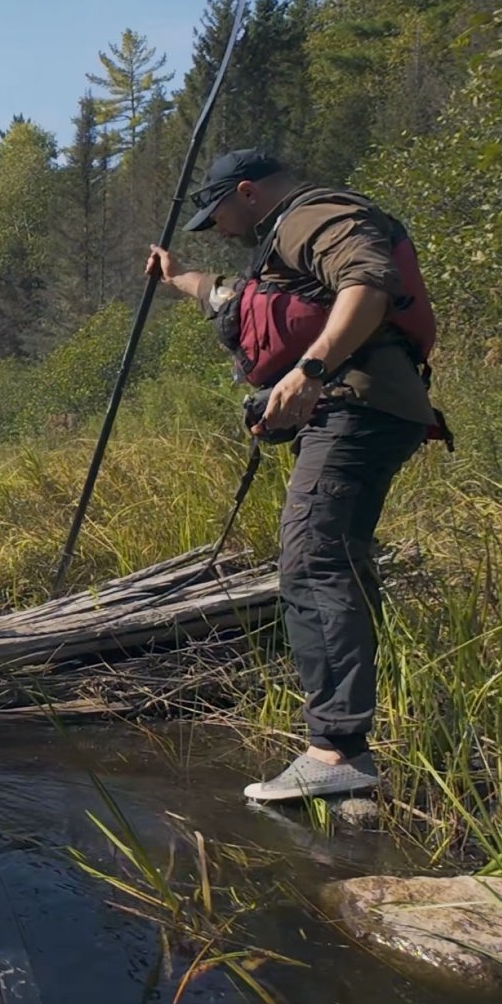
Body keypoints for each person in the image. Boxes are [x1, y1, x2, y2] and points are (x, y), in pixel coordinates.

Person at [146, 148, 445, 802]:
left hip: (355, 407)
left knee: (313, 559)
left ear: (247, 192)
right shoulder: (284, 243)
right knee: (332, 558)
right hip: (363, 410)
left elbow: (367, 281)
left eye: (218, 214)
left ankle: (336, 751)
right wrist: (175, 276)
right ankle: (348, 764)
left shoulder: (311, 216)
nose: (219, 229)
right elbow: (228, 297)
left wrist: (309, 373)